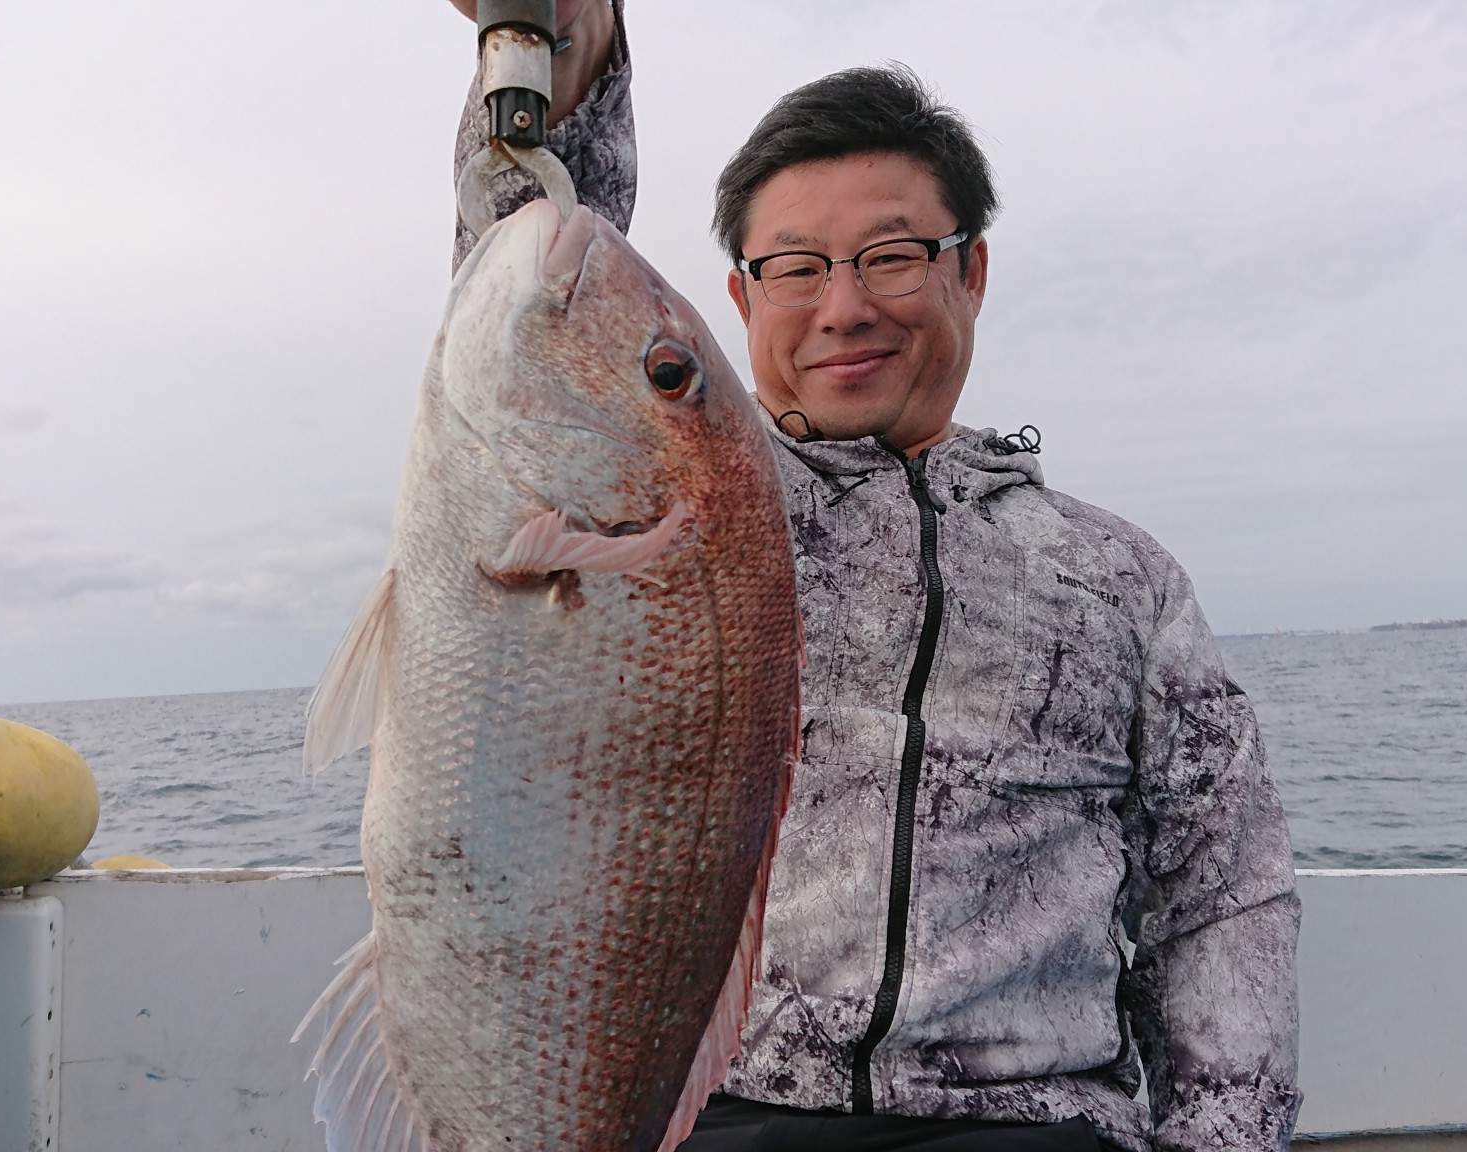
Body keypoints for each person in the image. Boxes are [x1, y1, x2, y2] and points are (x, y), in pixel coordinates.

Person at [450, 6, 1302, 1150]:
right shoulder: (681, 510)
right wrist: (567, 56)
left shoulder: (1118, 580)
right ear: (742, 299)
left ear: (971, 271)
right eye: (794, 267)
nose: (843, 307)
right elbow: (532, 304)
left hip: (1033, 1124)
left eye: (891, 257)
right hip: (718, 1112)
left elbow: (1217, 897)